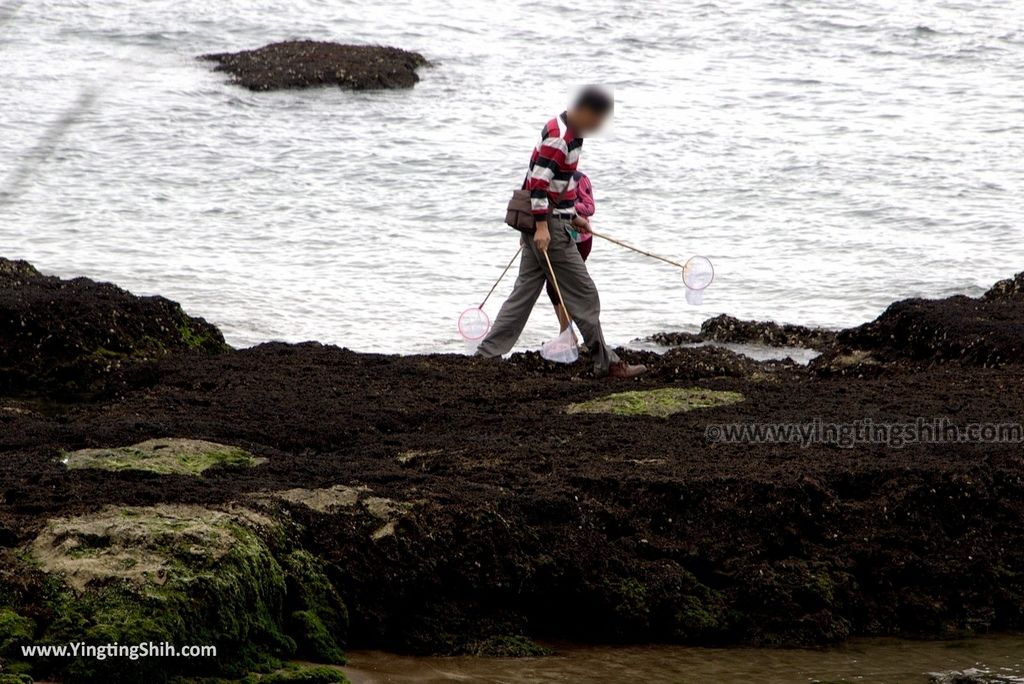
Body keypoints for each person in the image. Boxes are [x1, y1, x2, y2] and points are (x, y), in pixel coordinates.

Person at [476, 87, 647, 380]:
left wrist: (573, 217)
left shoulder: (566, 129)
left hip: (547, 223)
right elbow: (539, 184)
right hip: (548, 229)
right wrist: (541, 226)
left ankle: (485, 355)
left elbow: (549, 180)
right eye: (597, 120)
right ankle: (608, 364)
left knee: (523, 294)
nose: (598, 127)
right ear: (584, 111)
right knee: (585, 293)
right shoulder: (561, 138)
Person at [547, 170, 594, 334]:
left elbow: (590, 207)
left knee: (565, 285)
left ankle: (566, 332)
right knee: (552, 286)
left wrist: (569, 207)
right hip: (557, 238)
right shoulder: (548, 177)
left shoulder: (579, 179)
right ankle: (567, 332)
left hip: (580, 240)